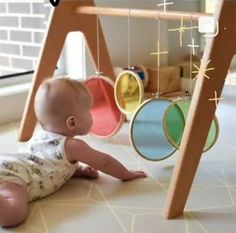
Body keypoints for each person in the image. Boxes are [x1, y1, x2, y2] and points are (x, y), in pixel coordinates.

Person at [0, 77, 147, 227]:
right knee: (13, 215)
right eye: (89, 112)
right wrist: (126, 174)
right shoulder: (73, 146)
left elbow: (50, 162)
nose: (91, 115)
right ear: (72, 123)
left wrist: (77, 171)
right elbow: (105, 162)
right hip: (16, 177)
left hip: (8, 163)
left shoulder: (41, 135)